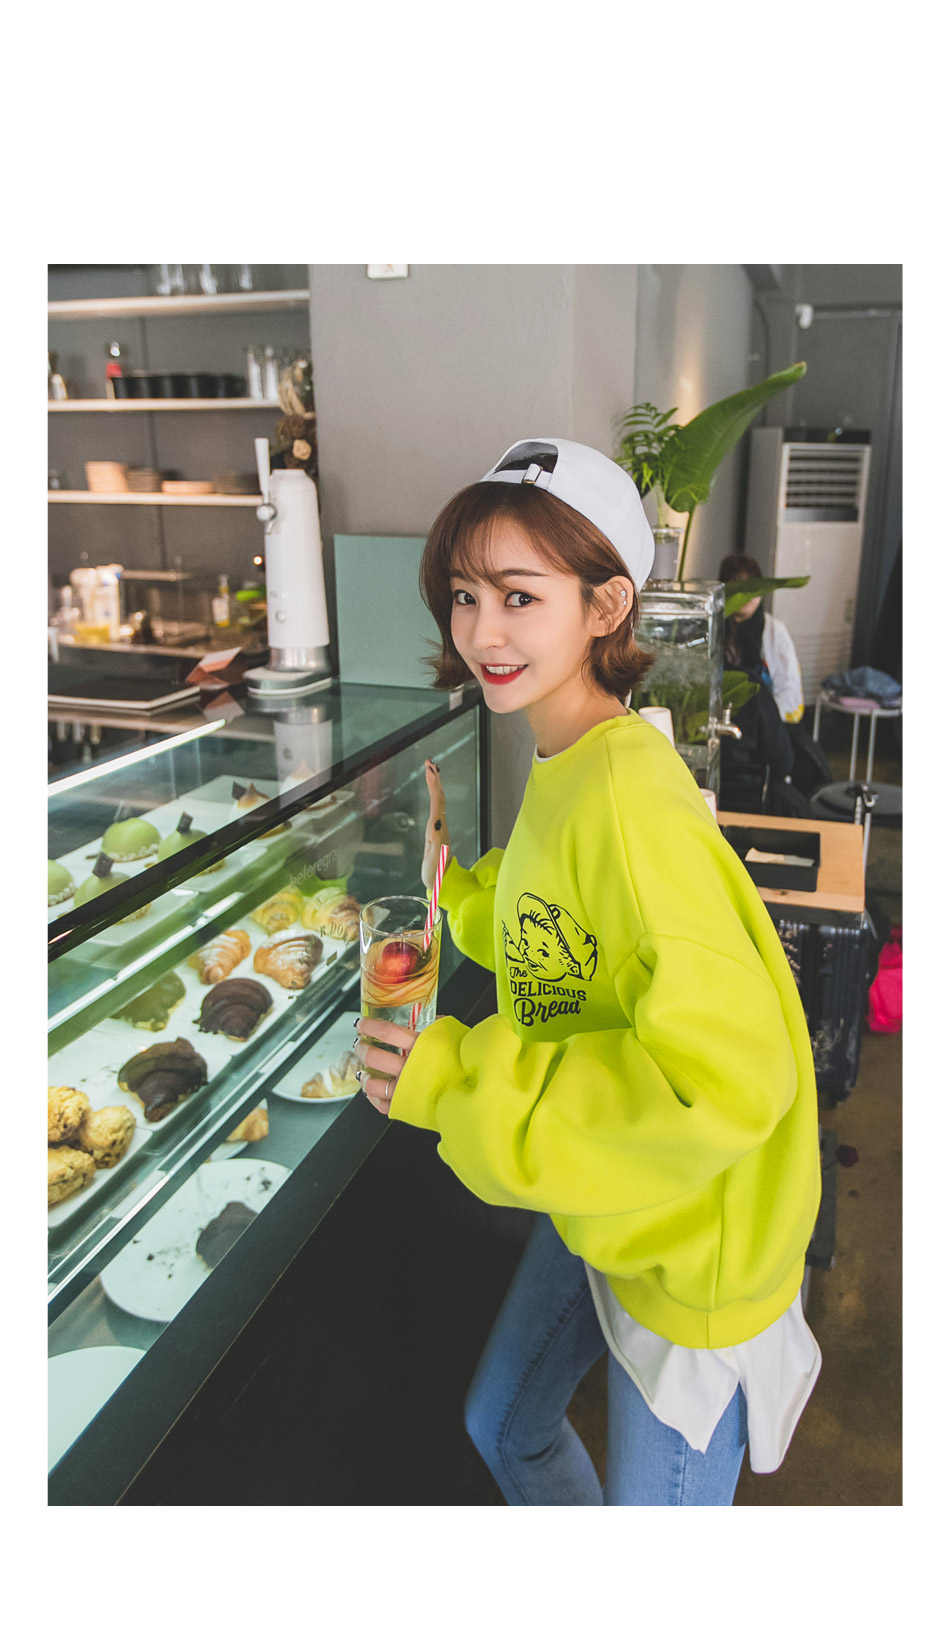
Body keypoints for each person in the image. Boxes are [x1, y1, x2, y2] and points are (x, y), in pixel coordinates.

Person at [353, 438, 822, 1506]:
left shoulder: (627, 797)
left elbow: (723, 1081)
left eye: (520, 596)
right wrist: (461, 901)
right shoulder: (570, 752)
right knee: (504, 1422)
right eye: (465, 595)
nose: (482, 631)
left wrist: (453, 1079)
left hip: (689, 1249)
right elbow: (559, 923)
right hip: (608, 1196)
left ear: (606, 605)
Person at [719, 552, 805, 724]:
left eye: (754, 586)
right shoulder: (714, 628)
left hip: (767, 722)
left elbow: (789, 689)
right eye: (739, 586)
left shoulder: (774, 630)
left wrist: (763, 719)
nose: (748, 595)